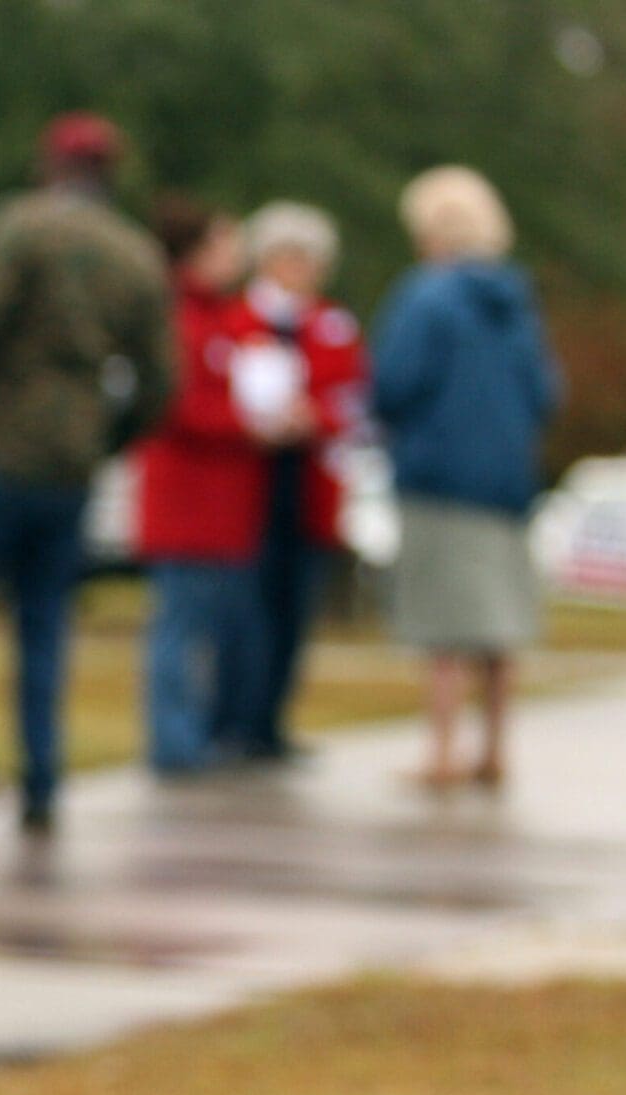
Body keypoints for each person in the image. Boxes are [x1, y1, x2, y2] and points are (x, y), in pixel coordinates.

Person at [0, 113, 172, 833]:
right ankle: (43, 779)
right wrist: (103, 438)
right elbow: (160, 382)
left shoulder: (17, 227)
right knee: (45, 622)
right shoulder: (136, 254)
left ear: (50, 165)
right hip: (70, 462)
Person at [372, 166, 560, 789]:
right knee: (500, 622)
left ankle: (443, 751)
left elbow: (393, 383)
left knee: (443, 625)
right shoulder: (516, 303)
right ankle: (495, 747)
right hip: (507, 480)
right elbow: (545, 392)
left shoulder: (428, 297)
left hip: (440, 475)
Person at [223, 202, 367, 760]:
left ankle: (270, 722)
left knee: (292, 609)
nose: (300, 270)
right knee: (245, 611)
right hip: (249, 484)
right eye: (290, 258)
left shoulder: (332, 326)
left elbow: (353, 398)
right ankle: (233, 719)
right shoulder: (240, 321)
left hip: (306, 486)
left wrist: (315, 417)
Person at [133, 197, 264, 776]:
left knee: (212, 628)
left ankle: (204, 733)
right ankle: (174, 742)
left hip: (227, 501)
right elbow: (180, 406)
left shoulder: (227, 318)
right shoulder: (175, 317)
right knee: (179, 628)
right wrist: (251, 423)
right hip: (187, 501)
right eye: (227, 244)